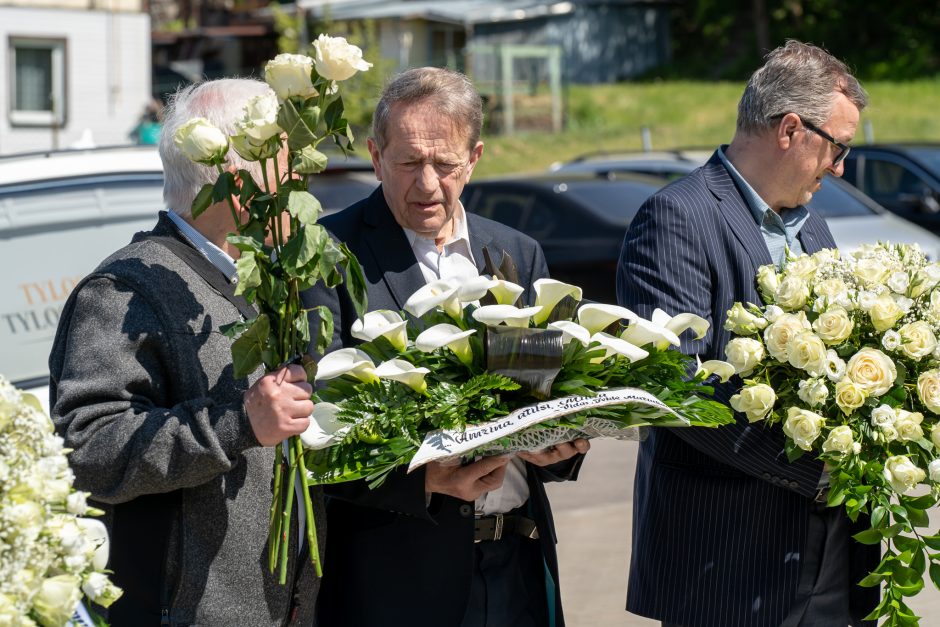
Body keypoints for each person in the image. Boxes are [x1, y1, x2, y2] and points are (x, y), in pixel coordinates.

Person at [302, 67, 590, 627]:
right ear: (375, 155)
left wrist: (562, 445)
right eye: (409, 163)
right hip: (399, 582)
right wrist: (424, 480)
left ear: (475, 157)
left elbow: (539, 388)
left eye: (446, 164)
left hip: (517, 567)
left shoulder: (516, 252)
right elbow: (315, 432)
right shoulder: (329, 257)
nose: (428, 184)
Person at [617, 41, 878, 627]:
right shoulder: (677, 217)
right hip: (729, 562)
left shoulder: (814, 228)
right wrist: (821, 468)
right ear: (791, 129)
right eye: (838, 148)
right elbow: (674, 387)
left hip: (834, 555)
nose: (839, 168)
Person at [49, 78, 322, 626]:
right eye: (287, 168)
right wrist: (237, 422)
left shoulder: (261, 278)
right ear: (241, 183)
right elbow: (89, 449)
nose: (299, 183)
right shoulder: (126, 290)